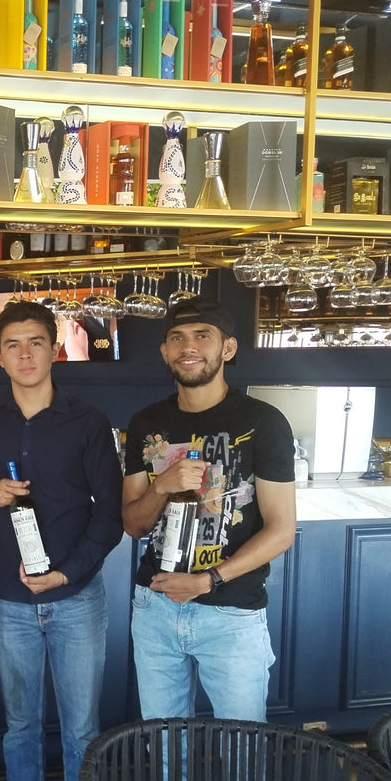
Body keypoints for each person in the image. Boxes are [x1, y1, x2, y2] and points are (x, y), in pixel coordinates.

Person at [0, 300, 125, 781]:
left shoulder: (88, 421)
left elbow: (110, 515)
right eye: (13, 344)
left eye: (35, 342)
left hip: (75, 597)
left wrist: (66, 572)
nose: (25, 354)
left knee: (82, 726)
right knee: (20, 725)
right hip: (7, 598)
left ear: (55, 348)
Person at [122, 297, 296, 722]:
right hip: (156, 606)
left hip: (230, 610)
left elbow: (281, 529)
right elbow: (133, 524)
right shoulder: (146, 423)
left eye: (203, 335)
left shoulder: (263, 422)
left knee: (243, 746)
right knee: (164, 743)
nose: (188, 346)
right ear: (164, 351)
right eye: (177, 337)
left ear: (227, 348)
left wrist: (208, 580)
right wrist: (162, 486)